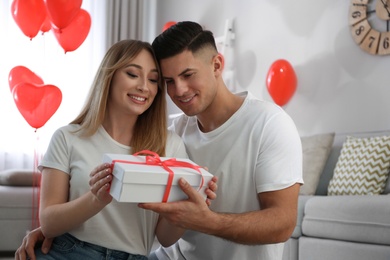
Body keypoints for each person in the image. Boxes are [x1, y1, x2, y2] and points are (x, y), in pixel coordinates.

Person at [16, 21, 302, 260]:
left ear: (217, 65)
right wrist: (52, 228)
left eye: (188, 75)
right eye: (168, 80)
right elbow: (63, 216)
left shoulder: (268, 124)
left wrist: (206, 219)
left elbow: (282, 224)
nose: (178, 90)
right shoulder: (171, 132)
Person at [14, 39, 217, 260]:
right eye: (132, 74)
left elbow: (166, 238)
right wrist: (96, 199)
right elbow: (49, 223)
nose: (144, 87)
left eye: (153, 80)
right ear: (108, 76)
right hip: (69, 251)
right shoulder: (68, 137)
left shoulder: (170, 146)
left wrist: (187, 207)